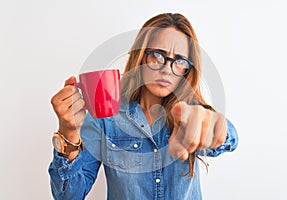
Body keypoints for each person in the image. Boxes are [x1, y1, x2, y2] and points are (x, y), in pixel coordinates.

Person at [48, 13, 238, 200]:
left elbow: (229, 138)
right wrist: (68, 132)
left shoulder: (190, 111)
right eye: (157, 55)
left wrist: (214, 126)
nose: (166, 68)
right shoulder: (106, 114)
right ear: (140, 56)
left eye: (179, 61)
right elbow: (69, 196)